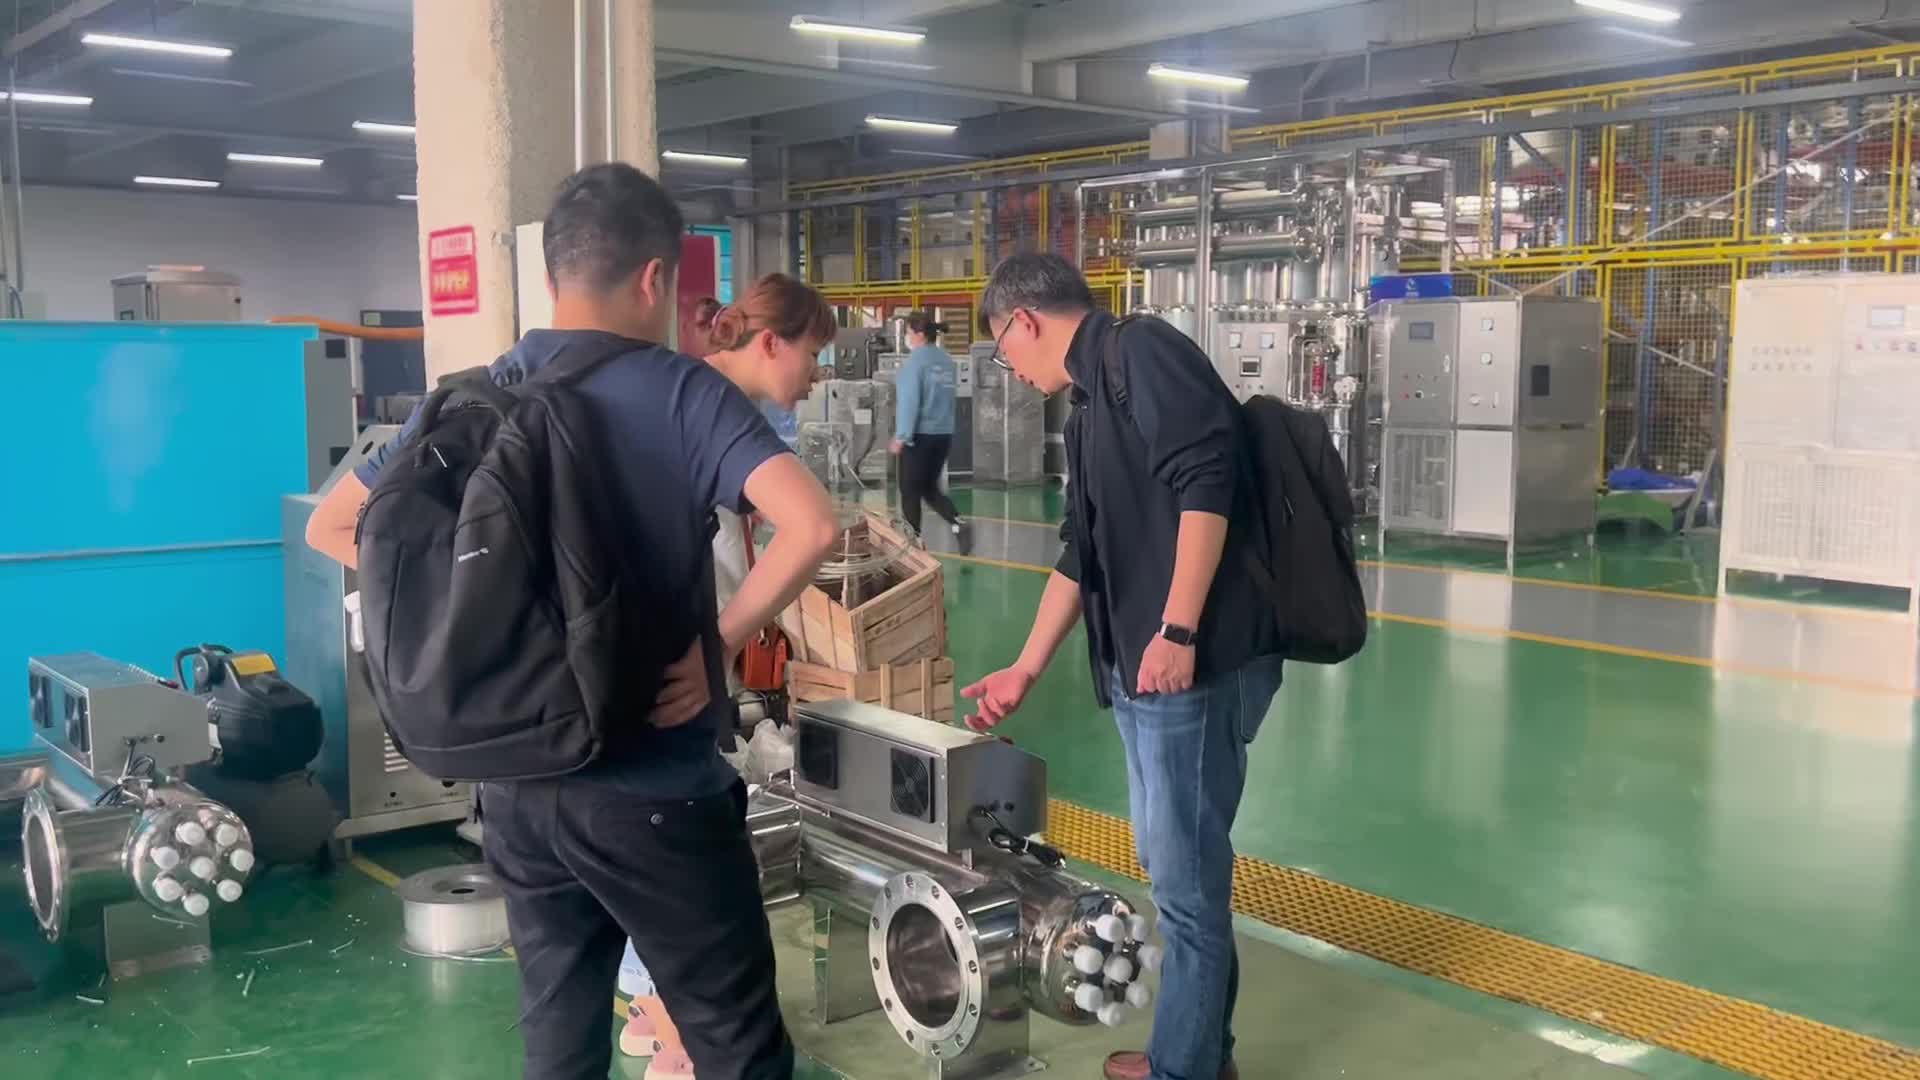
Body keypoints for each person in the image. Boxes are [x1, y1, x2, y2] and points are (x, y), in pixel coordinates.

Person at [304, 162, 838, 1080]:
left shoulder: (476, 392)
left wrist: (476, 603)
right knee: (736, 1044)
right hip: (654, 788)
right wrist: (717, 642)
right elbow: (813, 525)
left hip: (517, 786)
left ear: (554, 272)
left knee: (560, 1044)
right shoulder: (680, 390)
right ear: (654, 278)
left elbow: (333, 525)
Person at [960, 253, 1280, 1080]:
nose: (1010, 367)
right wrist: (1025, 668)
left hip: (1189, 670)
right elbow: (1083, 552)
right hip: (1145, 673)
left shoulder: (1142, 353)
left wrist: (1177, 628)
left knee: (1186, 889)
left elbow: (1208, 483)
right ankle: (1196, 1051)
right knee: (1180, 875)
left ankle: (1184, 1069)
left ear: (1024, 320)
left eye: (1002, 346)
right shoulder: (1090, 402)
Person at [614, 272, 836, 1076]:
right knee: (680, 864)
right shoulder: (704, 405)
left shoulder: (678, 398)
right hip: (679, 672)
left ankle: (649, 1009)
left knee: (645, 847)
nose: (815, 375)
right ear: (770, 342)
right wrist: (721, 642)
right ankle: (673, 1029)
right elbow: (813, 527)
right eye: (811, 354)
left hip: (645, 670)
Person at [889, 311, 969, 551]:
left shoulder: (915, 363)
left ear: (919, 334)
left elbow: (910, 401)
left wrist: (902, 436)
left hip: (919, 436)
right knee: (928, 487)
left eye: (908, 332)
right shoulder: (947, 361)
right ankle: (958, 523)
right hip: (943, 435)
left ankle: (913, 543)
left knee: (909, 490)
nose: (907, 337)